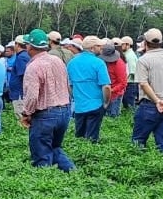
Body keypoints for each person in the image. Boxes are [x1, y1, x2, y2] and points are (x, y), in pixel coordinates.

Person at [19, 29, 74, 171]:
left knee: (41, 154)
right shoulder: (58, 61)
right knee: (55, 148)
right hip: (64, 110)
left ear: (30, 46)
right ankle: (73, 174)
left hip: (45, 115)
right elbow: (67, 85)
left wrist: (26, 113)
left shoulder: (33, 67)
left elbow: (32, 96)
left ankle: (43, 181)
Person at [133, 28, 163, 153]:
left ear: (145, 42)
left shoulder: (143, 60)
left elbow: (143, 83)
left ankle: (139, 162)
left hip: (149, 106)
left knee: (138, 141)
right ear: (161, 42)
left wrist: (157, 101)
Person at [68, 36, 112, 142]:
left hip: (79, 106)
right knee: (92, 138)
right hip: (96, 105)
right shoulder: (99, 63)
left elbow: (69, 85)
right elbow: (106, 86)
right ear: (92, 48)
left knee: (79, 137)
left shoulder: (71, 63)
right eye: (99, 46)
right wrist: (106, 102)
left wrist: (75, 98)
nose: (101, 48)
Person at [101, 43, 128, 118]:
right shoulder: (104, 62)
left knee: (113, 116)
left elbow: (123, 83)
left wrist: (111, 90)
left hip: (115, 95)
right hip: (105, 93)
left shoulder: (119, 64)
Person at [8, 36, 29, 117]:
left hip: (19, 93)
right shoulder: (24, 55)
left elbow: (24, 75)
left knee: (20, 116)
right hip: (20, 92)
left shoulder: (21, 57)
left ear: (17, 45)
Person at [119, 36, 139, 113]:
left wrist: (123, 82)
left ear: (127, 45)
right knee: (127, 105)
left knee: (129, 106)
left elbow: (131, 72)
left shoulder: (129, 56)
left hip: (130, 83)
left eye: (122, 44)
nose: (121, 46)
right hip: (128, 83)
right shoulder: (127, 54)